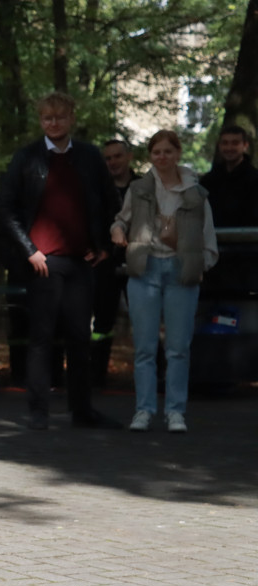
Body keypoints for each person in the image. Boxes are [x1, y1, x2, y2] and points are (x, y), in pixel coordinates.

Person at [0, 92, 122, 430]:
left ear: (71, 118)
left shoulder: (91, 157)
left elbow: (111, 202)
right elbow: (6, 209)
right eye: (47, 118)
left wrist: (105, 245)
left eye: (59, 117)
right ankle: (38, 413)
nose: (53, 123)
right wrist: (29, 250)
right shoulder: (27, 158)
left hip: (82, 262)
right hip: (42, 263)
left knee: (81, 338)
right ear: (41, 121)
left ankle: (82, 411)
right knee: (41, 339)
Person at [111, 130, 218, 433]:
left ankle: (175, 412)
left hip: (180, 272)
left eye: (167, 152)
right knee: (144, 348)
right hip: (145, 270)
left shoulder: (196, 193)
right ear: (150, 156)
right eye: (156, 152)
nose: (162, 157)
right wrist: (117, 230)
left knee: (178, 348)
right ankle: (143, 410)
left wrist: (199, 263)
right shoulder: (140, 188)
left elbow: (208, 236)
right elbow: (122, 219)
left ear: (178, 154)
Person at [92, 139, 138, 387]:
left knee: (144, 319)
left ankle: (157, 374)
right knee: (102, 322)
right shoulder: (98, 189)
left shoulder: (144, 187)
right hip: (106, 264)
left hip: (138, 263)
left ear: (129, 156)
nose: (113, 163)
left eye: (117, 156)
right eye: (108, 158)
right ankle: (96, 376)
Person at [200, 124, 258, 228]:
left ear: (245, 146)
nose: (229, 148)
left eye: (235, 143)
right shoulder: (208, 181)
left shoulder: (254, 180)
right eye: (225, 143)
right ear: (219, 146)